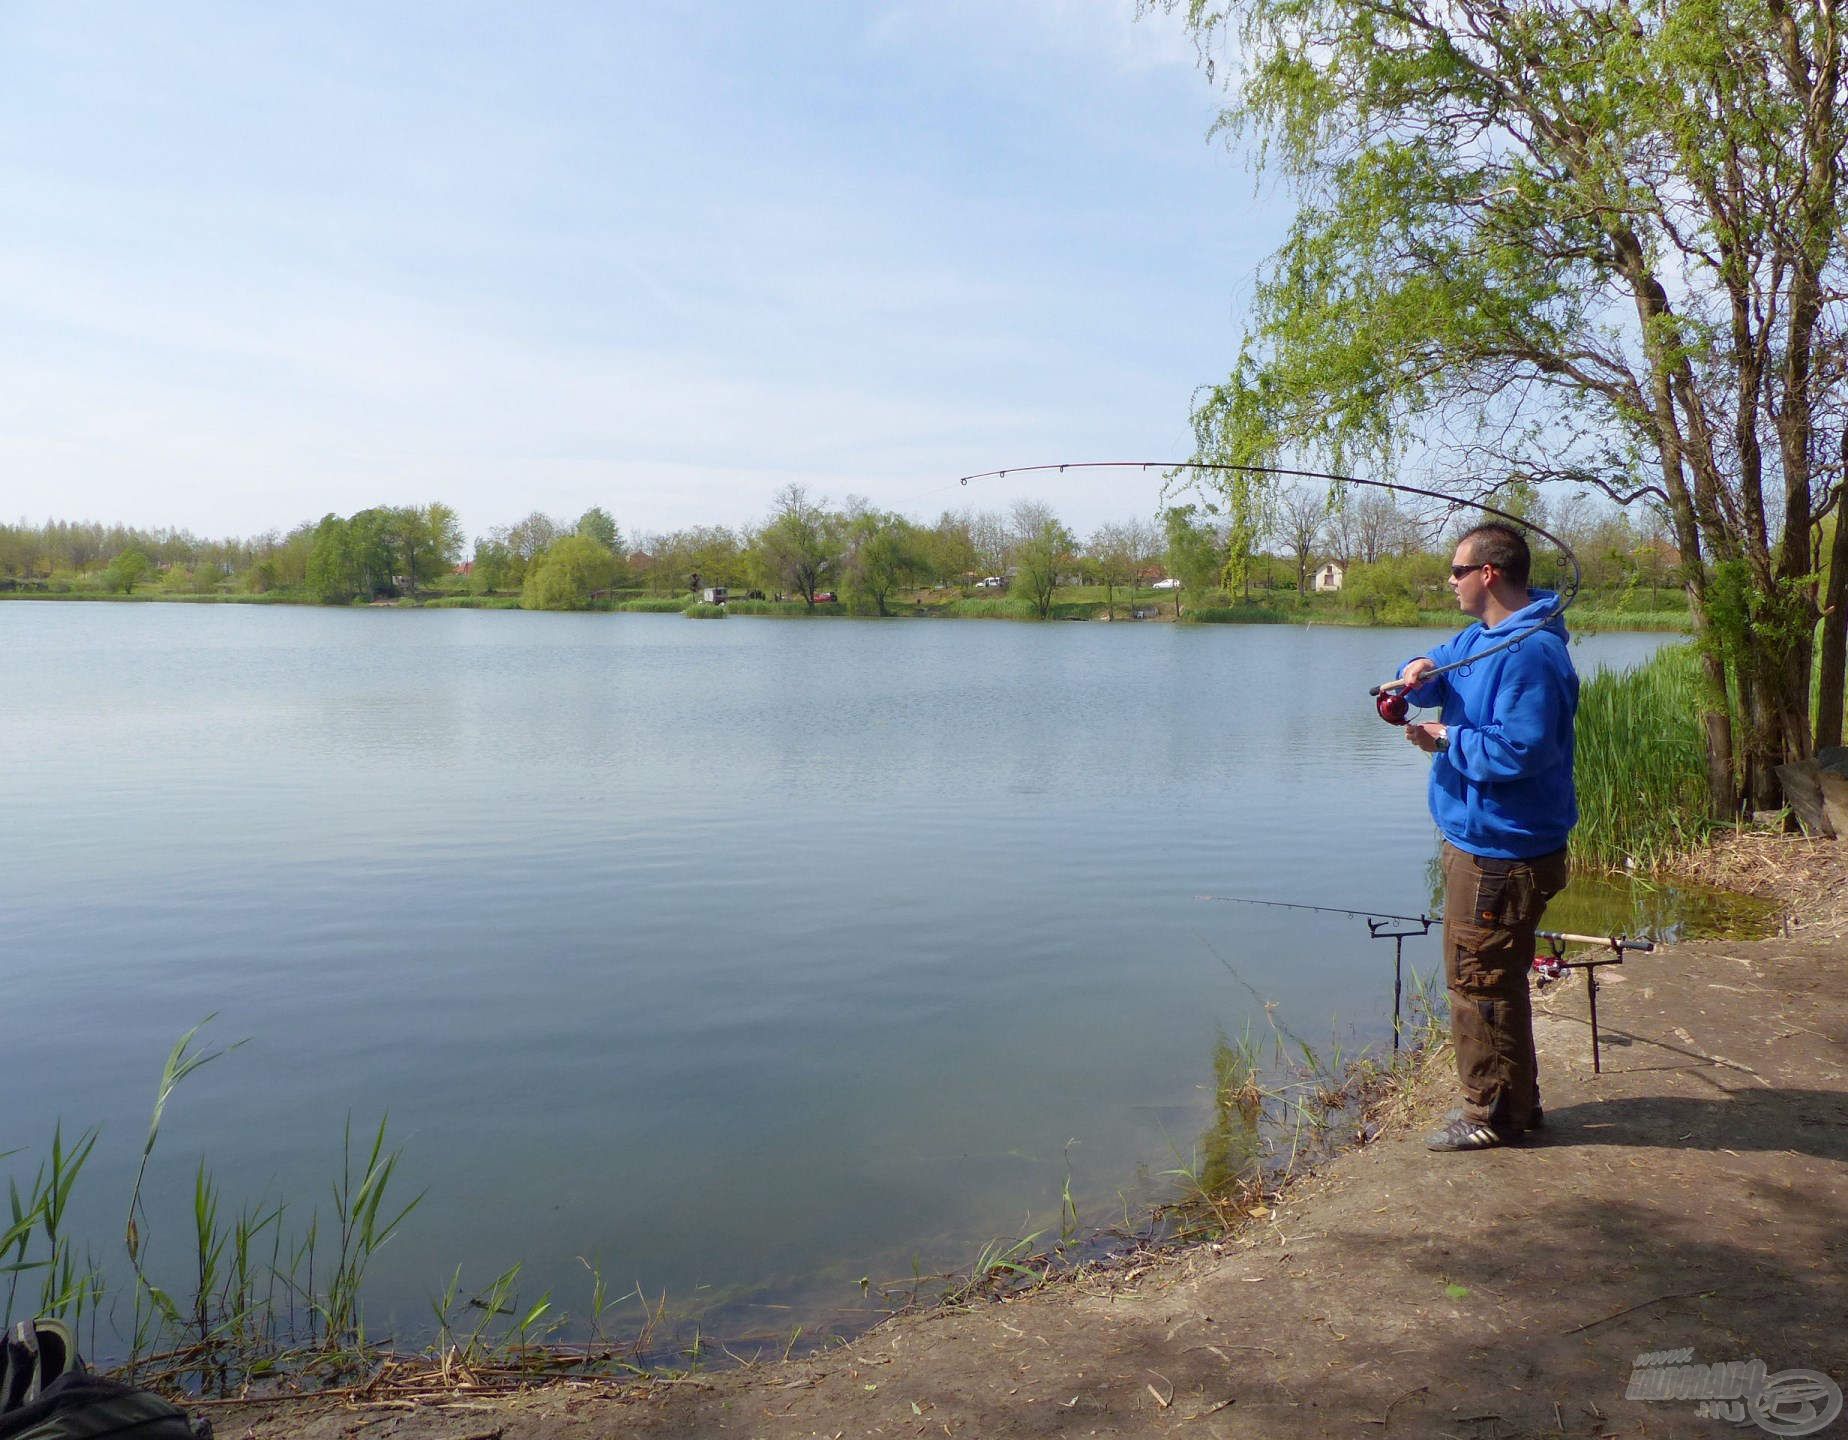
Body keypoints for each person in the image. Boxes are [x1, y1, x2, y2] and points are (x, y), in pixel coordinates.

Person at [1395, 523, 1578, 1151]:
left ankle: (1492, 1116)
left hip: (1505, 850)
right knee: (1490, 976)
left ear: (1489, 574)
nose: (1450, 581)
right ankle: (1516, 1104)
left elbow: (1520, 750)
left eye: (1456, 571)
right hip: (1480, 841)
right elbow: (1445, 665)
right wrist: (1415, 673)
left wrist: (1444, 737)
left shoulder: (1531, 652)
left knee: (1479, 982)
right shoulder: (1485, 637)